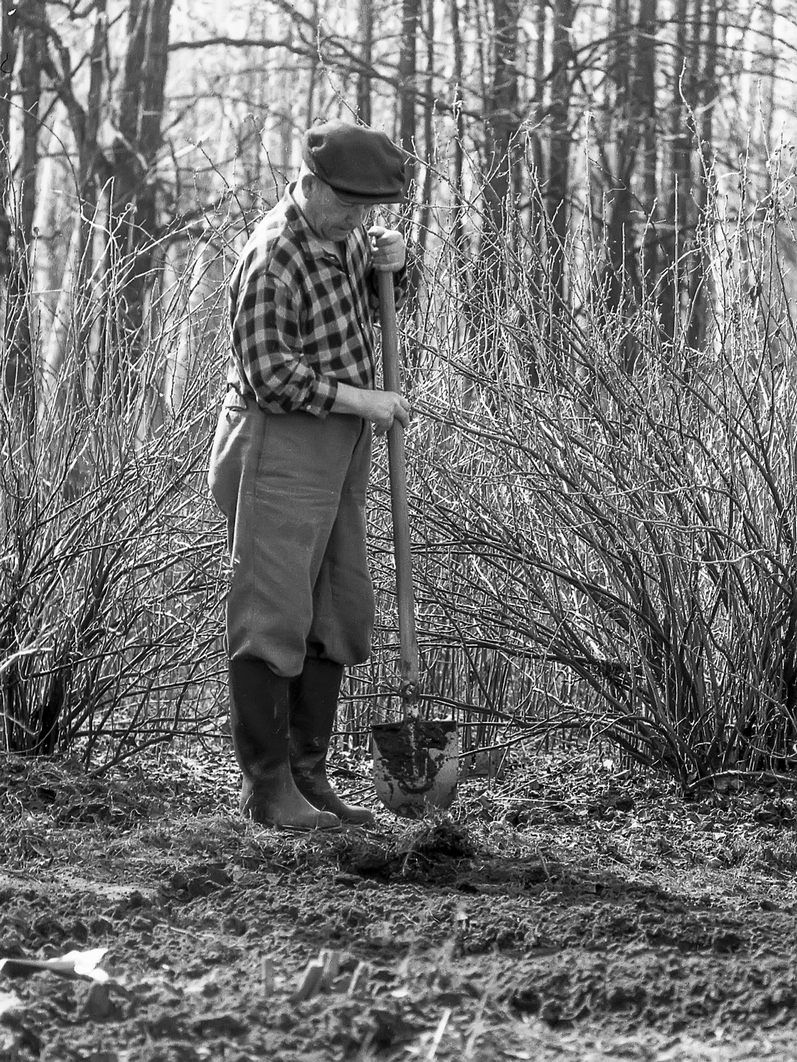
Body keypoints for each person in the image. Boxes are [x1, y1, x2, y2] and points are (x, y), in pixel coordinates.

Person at [208, 120, 409, 830]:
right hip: (278, 445)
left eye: (371, 210)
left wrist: (396, 265)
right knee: (273, 616)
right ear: (313, 184)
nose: (362, 220)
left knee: (336, 611)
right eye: (352, 206)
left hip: (337, 450)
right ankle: (267, 791)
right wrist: (365, 401)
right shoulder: (274, 255)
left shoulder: (345, 232)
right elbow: (270, 374)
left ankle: (306, 777)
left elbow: (362, 316)